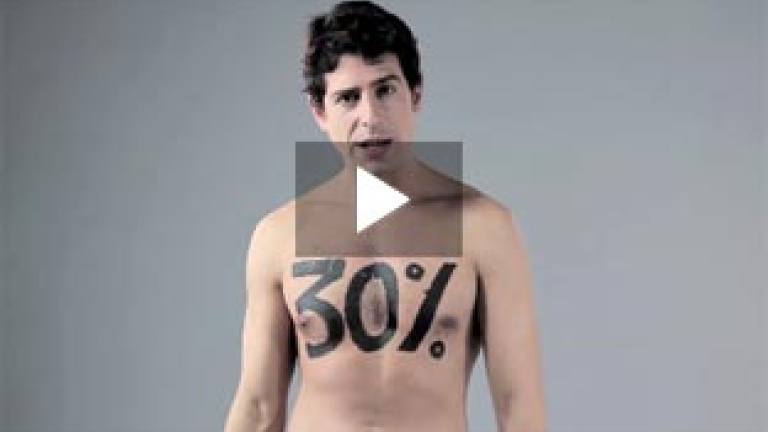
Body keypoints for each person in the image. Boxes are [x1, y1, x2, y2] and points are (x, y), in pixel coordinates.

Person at [223, 2, 548, 431]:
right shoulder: (278, 236)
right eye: (348, 98)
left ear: (416, 95)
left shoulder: (484, 228)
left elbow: (519, 406)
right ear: (319, 111)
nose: (370, 117)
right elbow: (258, 408)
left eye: (385, 90)